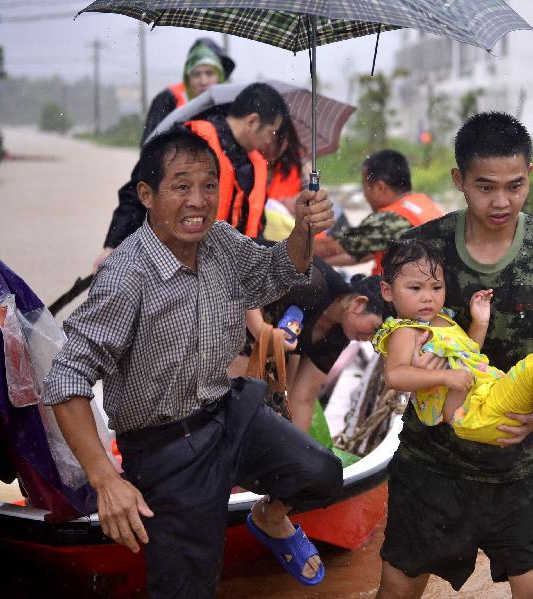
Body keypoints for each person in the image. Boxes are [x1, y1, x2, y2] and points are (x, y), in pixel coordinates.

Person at [43, 128, 341, 596]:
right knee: (188, 589)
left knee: (322, 475)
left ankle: (268, 517)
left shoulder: (220, 241)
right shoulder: (126, 277)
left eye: (208, 185)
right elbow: (65, 380)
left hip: (227, 411)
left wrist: (304, 230)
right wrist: (106, 481)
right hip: (165, 449)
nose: (198, 201)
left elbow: (278, 270)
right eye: (181, 186)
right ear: (147, 195)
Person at [376, 112, 533, 598]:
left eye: (515, 185)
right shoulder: (420, 252)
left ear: (530, 175)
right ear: (459, 180)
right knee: (396, 589)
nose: (501, 201)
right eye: (485, 187)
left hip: (519, 460)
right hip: (432, 462)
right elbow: (393, 351)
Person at [374, 239, 533, 452]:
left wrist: (480, 321)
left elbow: (469, 356)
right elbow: (394, 375)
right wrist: (444, 376)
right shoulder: (405, 331)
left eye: (436, 287)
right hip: (470, 413)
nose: (427, 297)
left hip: (486, 394)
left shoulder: (441, 321)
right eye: (415, 288)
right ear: (388, 292)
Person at [95, 82, 285, 270]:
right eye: (271, 132)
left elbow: (257, 222)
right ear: (252, 121)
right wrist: (114, 245)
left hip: (231, 271)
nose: (270, 141)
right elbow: (138, 193)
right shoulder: (187, 139)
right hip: (180, 266)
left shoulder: (256, 163)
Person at [242, 259, 388, 432]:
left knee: (275, 403)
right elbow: (246, 282)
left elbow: (303, 400)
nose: (372, 339)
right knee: (244, 395)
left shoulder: (339, 335)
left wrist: (299, 453)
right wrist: (261, 332)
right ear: (358, 304)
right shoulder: (313, 282)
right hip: (219, 292)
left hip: (253, 331)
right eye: (376, 329)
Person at [313, 149, 444, 274]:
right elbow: (360, 253)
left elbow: (328, 248)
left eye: (365, 187)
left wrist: (302, 235)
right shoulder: (421, 204)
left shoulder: (391, 219)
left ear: (380, 188)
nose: (365, 195)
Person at [141, 37, 235, 146]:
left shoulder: (229, 105)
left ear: (220, 77)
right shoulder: (168, 98)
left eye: (209, 74)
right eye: (196, 74)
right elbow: (149, 147)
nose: (203, 81)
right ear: (187, 78)